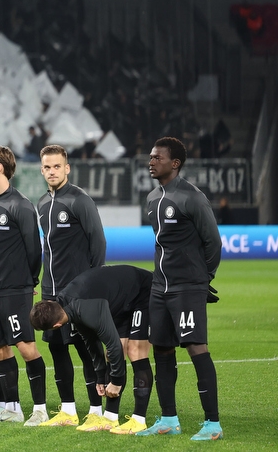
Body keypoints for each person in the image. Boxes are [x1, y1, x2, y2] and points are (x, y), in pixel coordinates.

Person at [138, 137, 222, 441]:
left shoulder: (191, 197)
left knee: (196, 347)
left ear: (175, 164)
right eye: (150, 157)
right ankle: (169, 419)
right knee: (161, 348)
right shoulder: (151, 199)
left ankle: (213, 424)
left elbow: (213, 242)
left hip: (187, 287)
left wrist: (203, 278)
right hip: (160, 287)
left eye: (157, 158)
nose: (151, 162)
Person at [30, 265, 155, 435]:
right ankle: (110, 418)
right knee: (111, 354)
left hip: (142, 291)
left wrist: (116, 382)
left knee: (135, 351)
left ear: (57, 325)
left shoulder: (85, 308)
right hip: (121, 298)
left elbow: (113, 344)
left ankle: (139, 420)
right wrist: (100, 377)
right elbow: (91, 341)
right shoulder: (65, 306)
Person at [35, 145, 107, 429]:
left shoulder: (80, 200)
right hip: (50, 292)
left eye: (57, 166)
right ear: (42, 170)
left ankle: (96, 409)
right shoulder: (42, 203)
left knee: (86, 349)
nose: (52, 172)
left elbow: (98, 242)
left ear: (67, 168)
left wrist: (92, 282)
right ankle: (67, 410)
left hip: (77, 292)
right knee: (57, 350)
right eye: (47, 167)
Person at [0, 146, 46, 425]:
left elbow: (33, 250)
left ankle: (39, 409)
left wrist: (28, 282)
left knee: (26, 346)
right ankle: (12, 408)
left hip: (14, 290)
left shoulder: (21, 205)